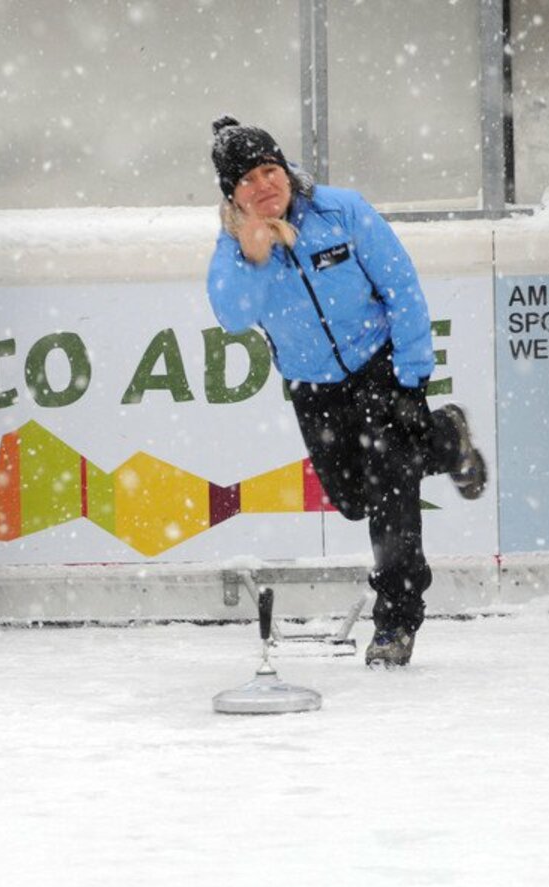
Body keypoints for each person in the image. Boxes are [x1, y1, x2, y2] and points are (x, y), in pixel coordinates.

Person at [206, 116, 487, 667]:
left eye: (271, 169)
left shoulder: (342, 210)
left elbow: (401, 288)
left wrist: (412, 377)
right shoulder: (234, 245)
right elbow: (233, 316)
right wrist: (255, 256)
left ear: (285, 168)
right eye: (249, 180)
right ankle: (446, 439)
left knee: (391, 492)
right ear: (231, 194)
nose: (266, 185)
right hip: (314, 388)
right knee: (353, 500)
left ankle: (396, 622)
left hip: (378, 367)